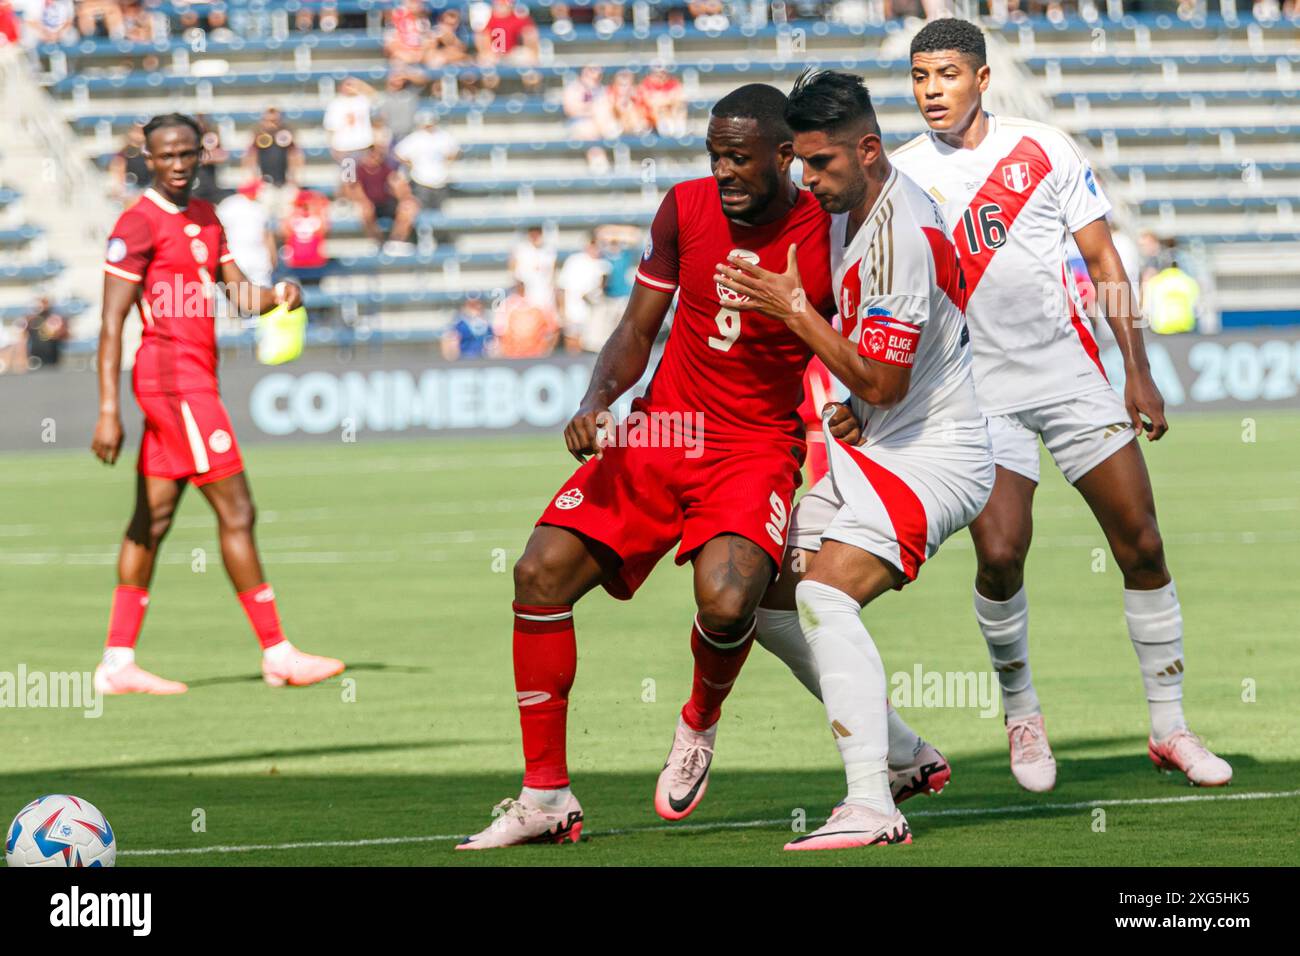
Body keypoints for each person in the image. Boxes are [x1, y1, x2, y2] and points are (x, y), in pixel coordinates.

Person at [456, 84, 866, 850]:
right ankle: (546, 796)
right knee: (537, 573)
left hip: (754, 446)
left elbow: (869, 336)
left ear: (785, 156)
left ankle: (698, 722)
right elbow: (637, 326)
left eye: (739, 159)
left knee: (727, 599)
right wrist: (597, 398)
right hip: (659, 431)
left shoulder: (834, 228)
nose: (723, 174)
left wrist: (859, 405)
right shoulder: (683, 208)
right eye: (714, 157)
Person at [894, 18, 1230, 790]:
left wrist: (1136, 368)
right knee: (1002, 554)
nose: (931, 90)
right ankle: (1022, 715)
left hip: (1071, 376)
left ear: (982, 79)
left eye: (946, 74)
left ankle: (1170, 727)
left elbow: (1105, 258)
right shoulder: (903, 176)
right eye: (919, 77)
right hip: (978, 393)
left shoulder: (1044, 147)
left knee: (1142, 544)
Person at [712, 69, 992, 851]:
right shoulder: (847, 210)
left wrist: (795, 313)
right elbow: (864, 365)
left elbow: (884, 377)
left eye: (821, 164)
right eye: (800, 163)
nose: (808, 180)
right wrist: (848, 399)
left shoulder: (902, 231)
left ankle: (870, 803)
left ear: (868, 150)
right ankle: (902, 756)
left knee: (827, 596)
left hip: (936, 456)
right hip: (875, 442)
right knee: (769, 599)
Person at [90, 113, 344, 695]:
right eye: (165, 157)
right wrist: (108, 410)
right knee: (238, 509)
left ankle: (117, 662)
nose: (177, 165)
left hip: (195, 378)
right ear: (149, 160)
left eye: (186, 154)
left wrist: (278, 294)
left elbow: (238, 294)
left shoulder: (208, 218)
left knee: (149, 521)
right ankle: (278, 652)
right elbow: (111, 322)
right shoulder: (137, 224)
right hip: (173, 384)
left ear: (201, 154)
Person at [344, 143, 419, 254]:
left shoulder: (386, 168)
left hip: (386, 203)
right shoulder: (358, 170)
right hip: (369, 204)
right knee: (365, 210)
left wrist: (405, 198)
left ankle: (395, 241)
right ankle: (377, 241)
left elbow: (397, 183)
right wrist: (364, 202)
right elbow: (354, 190)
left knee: (408, 209)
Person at [242, 107, 303, 222]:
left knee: (287, 215)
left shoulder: (286, 134)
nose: (272, 123)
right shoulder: (258, 134)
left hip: (284, 181)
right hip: (265, 182)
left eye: (275, 120)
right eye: (269, 120)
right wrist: (252, 177)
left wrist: (295, 176)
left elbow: (295, 154)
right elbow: (250, 156)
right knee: (264, 216)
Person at [393, 111, 460, 217]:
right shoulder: (415, 138)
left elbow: (454, 151)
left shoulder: (443, 136)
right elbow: (398, 153)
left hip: (440, 180)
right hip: (421, 180)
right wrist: (412, 165)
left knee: (440, 212)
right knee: (422, 211)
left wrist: (447, 162)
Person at [555, 233, 612, 353]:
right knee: (573, 348)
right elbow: (562, 288)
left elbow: (601, 291)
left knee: (590, 349)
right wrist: (562, 311)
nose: (595, 248)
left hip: (592, 317)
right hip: (574, 313)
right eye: (593, 244)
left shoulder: (604, 265)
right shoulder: (574, 261)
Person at [217, 180, 277, 288]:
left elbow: (267, 236)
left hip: (255, 261)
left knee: (256, 297)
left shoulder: (260, 207)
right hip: (239, 259)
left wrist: (272, 258)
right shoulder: (229, 204)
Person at [493, 281, 559, 358]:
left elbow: (554, 330)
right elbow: (499, 331)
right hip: (512, 356)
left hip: (536, 356)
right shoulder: (506, 304)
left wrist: (546, 351)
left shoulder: (538, 304)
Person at [509, 225, 557, 310]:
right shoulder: (522, 250)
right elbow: (514, 270)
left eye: (537, 235)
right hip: (528, 293)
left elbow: (552, 270)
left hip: (545, 293)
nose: (535, 238)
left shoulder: (548, 250)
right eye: (532, 235)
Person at [22, 294, 69, 369]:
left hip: (52, 355)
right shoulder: (30, 319)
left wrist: (54, 333)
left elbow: (65, 335)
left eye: (44, 303)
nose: (42, 305)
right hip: (35, 356)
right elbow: (23, 335)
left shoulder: (56, 318)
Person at [109, 124, 152, 206]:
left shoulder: (147, 151)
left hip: (147, 185)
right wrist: (119, 187)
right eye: (136, 132)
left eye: (141, 133)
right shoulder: (124, 152)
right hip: (131, 186)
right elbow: (117, 168)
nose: (138, 136)